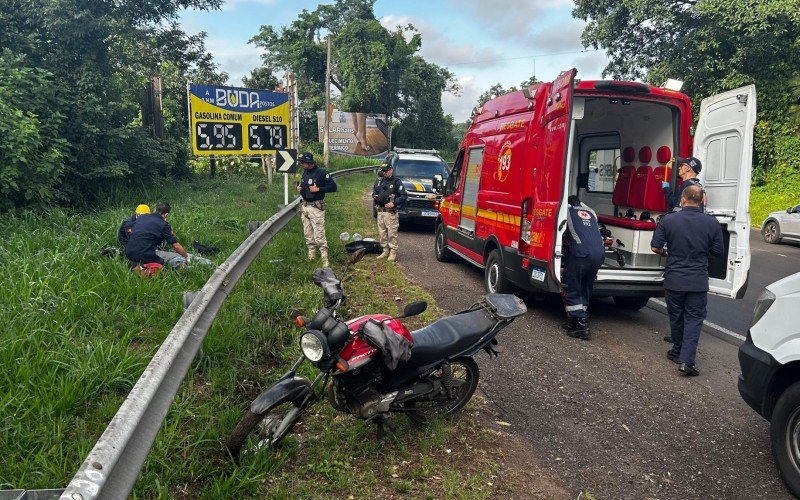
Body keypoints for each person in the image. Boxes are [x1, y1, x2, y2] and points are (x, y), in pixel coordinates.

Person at [651, 185, 723, 376]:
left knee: (676, 316)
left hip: (674, 278)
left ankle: (676, 350)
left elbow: (655, 247)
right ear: (701, 201)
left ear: (682, 200)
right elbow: (718, 252)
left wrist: (668, 252)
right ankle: (686, 361)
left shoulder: (669, 220)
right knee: (693, 319)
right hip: (698, 280)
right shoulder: (712, 223)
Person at [561, 195, 605, 340]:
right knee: (586, 285)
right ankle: (576, 320)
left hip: (581, 254)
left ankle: (581, 325)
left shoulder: (566, 211)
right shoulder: (591, 211)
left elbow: (561, 230)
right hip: (598, 253)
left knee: (572, 285)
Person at [296, 152, 337, 267]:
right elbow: (305, 188)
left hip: (316, 207)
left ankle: (325, 258)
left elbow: (333, 187)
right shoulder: (305, 173)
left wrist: (318, 189)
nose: (301, 164)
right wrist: (299, 189)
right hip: (305, 207)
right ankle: (312, 256)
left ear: (309, 163)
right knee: (308, 233)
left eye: (303, 162)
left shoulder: (322, 173)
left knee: (319, 234)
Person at [124, 201, 190, 269]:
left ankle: (137, 266)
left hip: (129, 253)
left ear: (155, 210)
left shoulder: (141, 218)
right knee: (177, 257)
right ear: (166, 215)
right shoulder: (164, 225)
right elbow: (176, 246)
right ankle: (147, 268)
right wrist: (186, 257)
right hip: (145, 254)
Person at [372, 162, 407, 262]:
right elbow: (375, 192)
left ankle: (393, 252)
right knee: (382, 233)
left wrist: (394, 203)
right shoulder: (380, 181)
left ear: (391, 170)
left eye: (386, 171)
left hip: (390, 212)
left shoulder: (396, 182)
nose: (384, 173)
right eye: (383, 171)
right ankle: (385, 250)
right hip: (381, 211)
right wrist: (375, 196)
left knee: (392, 233)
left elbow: (403, 196)